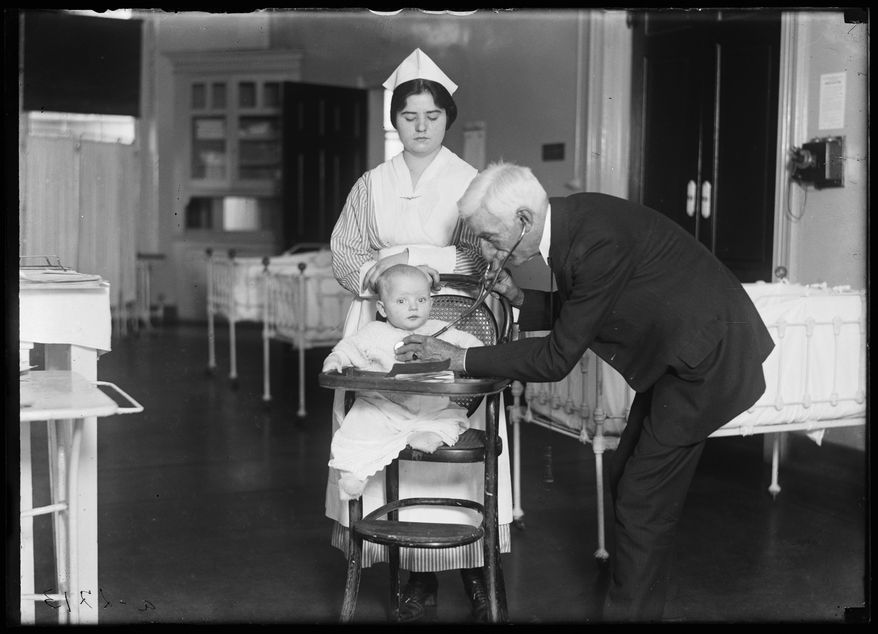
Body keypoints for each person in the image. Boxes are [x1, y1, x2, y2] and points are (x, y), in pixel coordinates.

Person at [397, 161, 776, 622]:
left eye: (493, 239)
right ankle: (638, 599)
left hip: (708, 359)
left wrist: (458, 357)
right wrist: (520, 299)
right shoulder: (575, 222)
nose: (489, 251)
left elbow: (557, 359)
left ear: (523, 221)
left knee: (640, 496)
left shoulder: (595, 241)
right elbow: (588, 309)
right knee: (628, 481)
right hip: (681, 353)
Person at [326, 49, 514, 622]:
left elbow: (486, 252)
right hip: (382, 319)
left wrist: (435, 270)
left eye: (432, 115)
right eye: (409, 116)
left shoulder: (469, 182)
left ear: (447, 119)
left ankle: (474, 567)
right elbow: (346, 250)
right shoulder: (371, 183)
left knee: (452, 428)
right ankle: (410, 568)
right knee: (383, 423)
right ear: (395, 120)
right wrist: (383, 274)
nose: (421, 125)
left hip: (452, 316)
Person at [323, 264, 484, 500]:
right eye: (401, 301)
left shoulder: (439, 330)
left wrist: (481, 353)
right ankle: (354, 473)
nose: (413, 306)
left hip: (430, 408)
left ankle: (422, 434)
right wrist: (335, 359)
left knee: (451, 418)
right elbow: (350, 348)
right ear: (382, 308)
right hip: (385, 408)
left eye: (421, 299)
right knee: (358, 423)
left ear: (431, 302)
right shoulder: (374, 332)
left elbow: (471, 345)